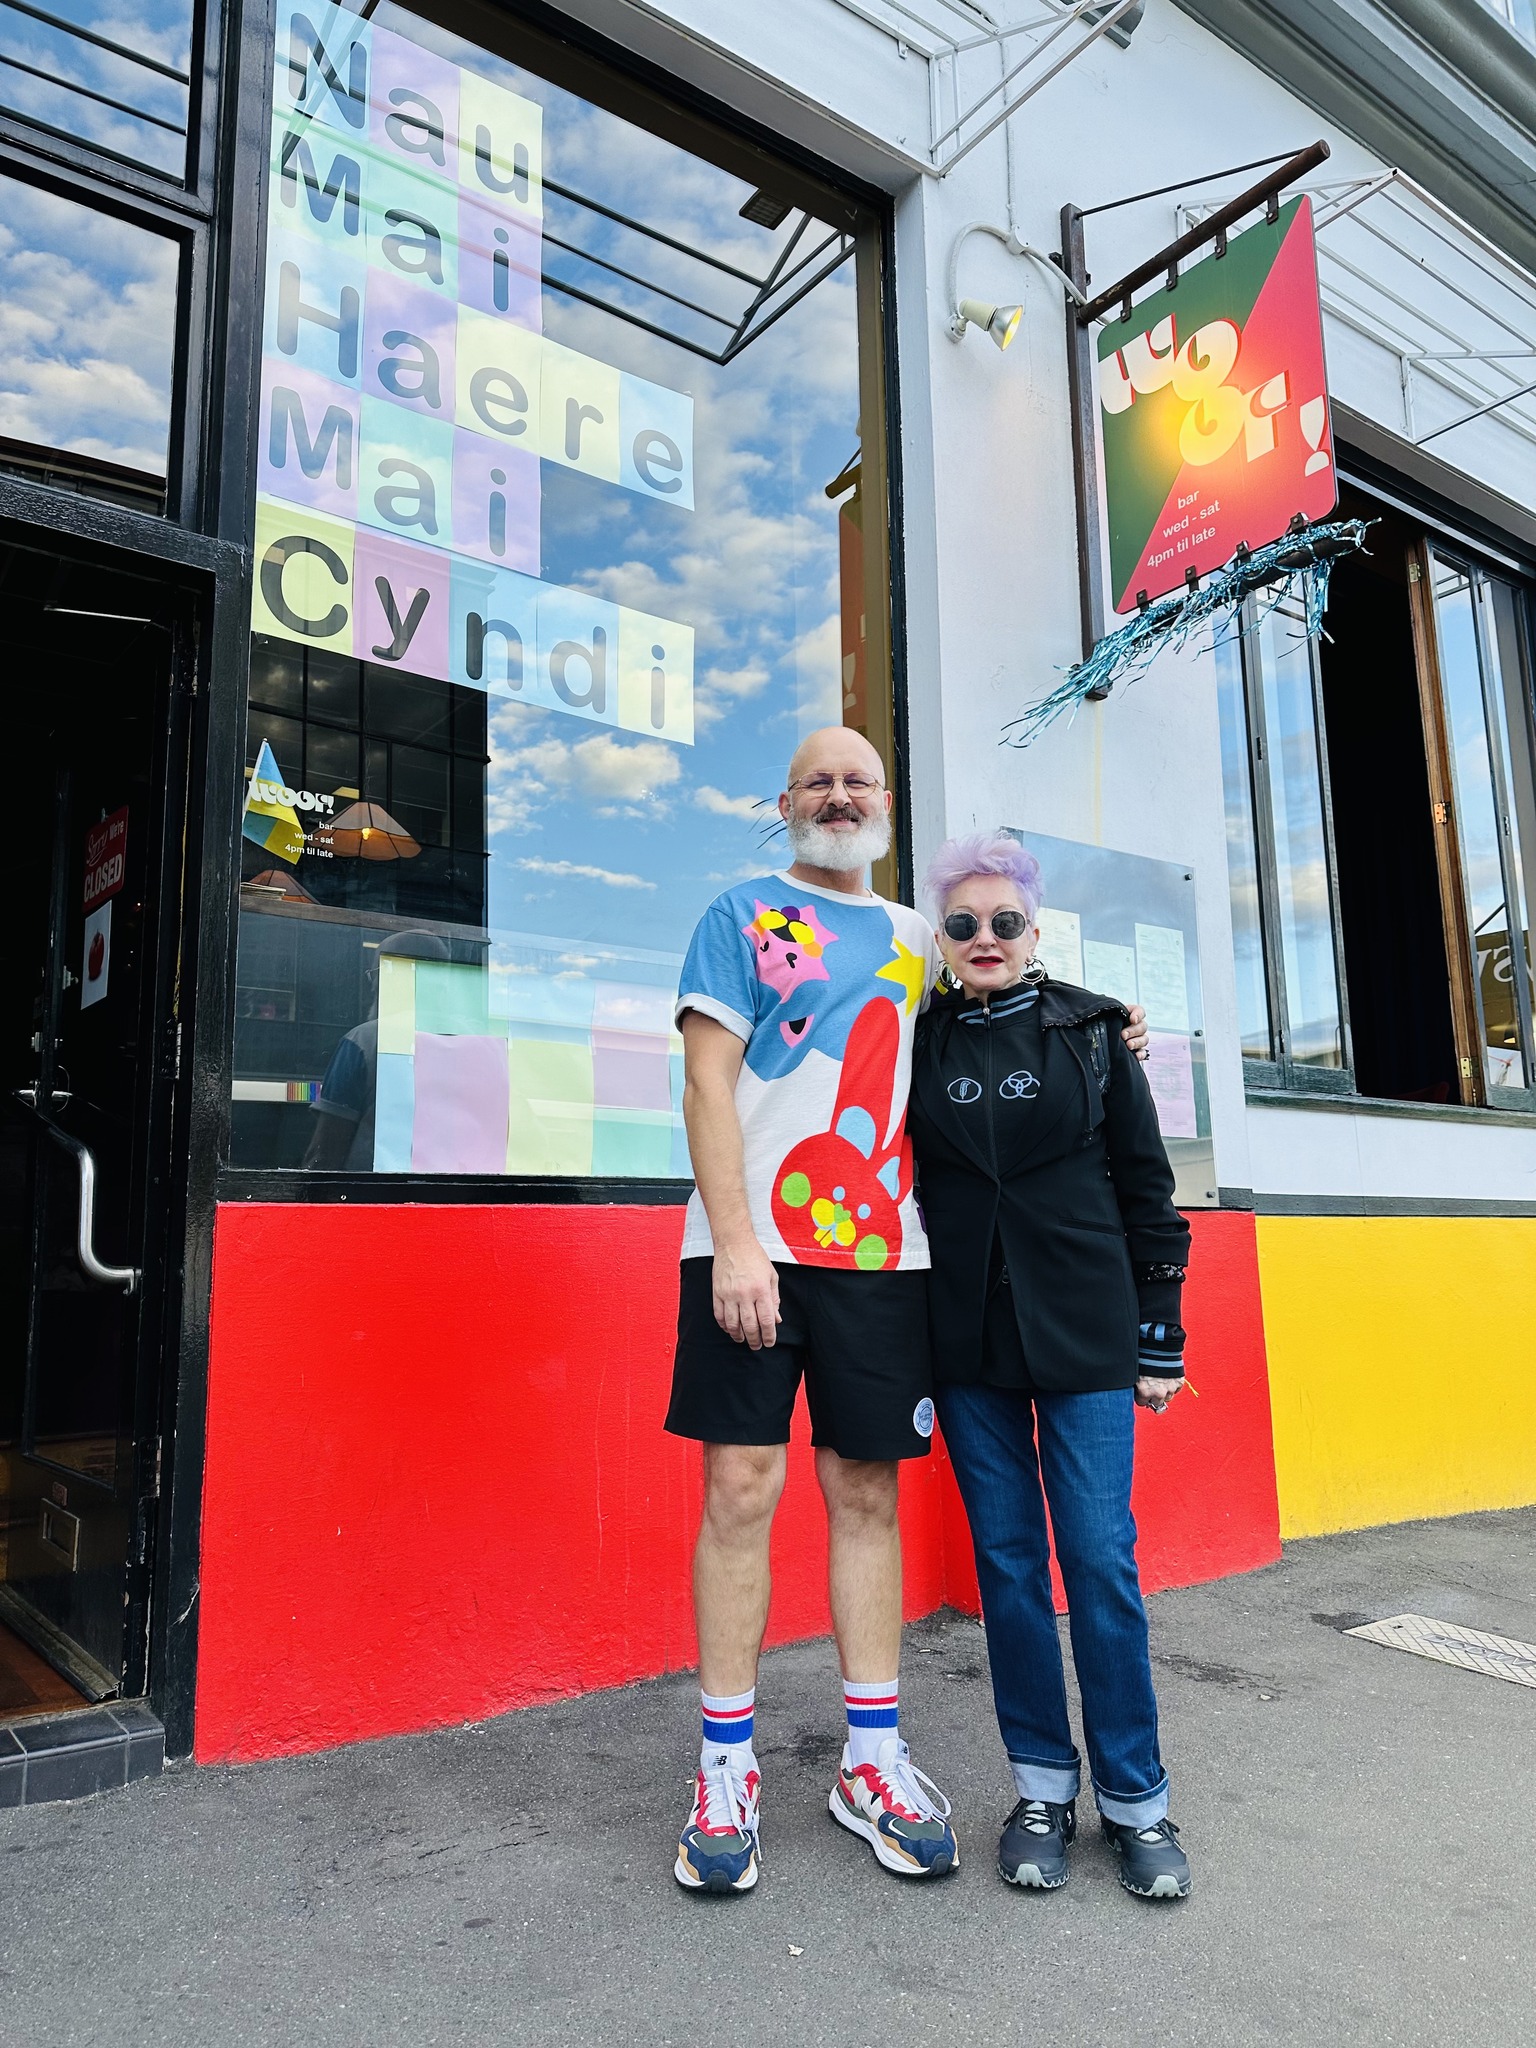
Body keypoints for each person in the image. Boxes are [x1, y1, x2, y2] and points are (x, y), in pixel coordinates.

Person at [664, 736, 1149, 1895]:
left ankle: (870, 1755)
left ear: (886, 805)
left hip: (886, 1257)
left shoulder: (912, 942)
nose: (840, 795)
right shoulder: (741, 913)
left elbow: (1006, 999)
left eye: (861, 781)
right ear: (783, 804)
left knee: (865, 1493)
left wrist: (1108, 1026)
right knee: (741, 1492)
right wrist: (737, 1240)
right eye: (818, 780)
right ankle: (722, 1766)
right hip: (751, 1250)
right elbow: (705, 1082)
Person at [907, 831, 1193, 1902]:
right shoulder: (916, 1040)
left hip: (1083, 1324)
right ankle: (1039, 1785)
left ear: (1035, 929)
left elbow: (1146, 1182)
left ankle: (1137, 1800)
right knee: (1010, 1567)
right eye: (965, 923)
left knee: (1099, 1559)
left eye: (1005, 921)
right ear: (943, 937)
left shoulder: (1093, 1032)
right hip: (971, 1334)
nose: (986, 938)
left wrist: (1158, 1333)